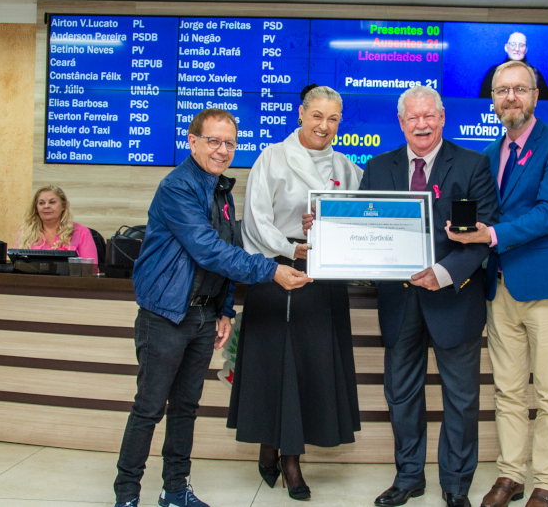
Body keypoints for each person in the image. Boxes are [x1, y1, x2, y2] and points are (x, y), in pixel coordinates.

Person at [305, 85, 500, 507]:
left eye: (429, 116)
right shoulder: (378, 167)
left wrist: (445, 273)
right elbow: (361, 228)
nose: (421, 124)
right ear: (401, 123)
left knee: (461, 400)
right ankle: (409, 476)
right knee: (402, 395)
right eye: (412, 118)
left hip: (455, 299)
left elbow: (483, 238)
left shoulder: (473, 164)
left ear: (443, 118)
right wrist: (322, 226)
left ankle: (455, 485)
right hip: (399, 303)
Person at [112, 108, 312, 507]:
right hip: (166, 315)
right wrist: (272, 270)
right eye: (214, 141)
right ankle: (127, 495)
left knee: (186, 408)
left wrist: (223, 310)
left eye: (230, 143)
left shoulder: (220, 190)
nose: (223, 150)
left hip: (203, 317)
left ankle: (174, 491)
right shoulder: (178, 187)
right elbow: (207, 249)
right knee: (149, 408)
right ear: (192, 141)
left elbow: (226, 251)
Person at [447, 60, 548, 507]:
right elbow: (485, 213)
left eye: (520, 89)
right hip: (499, 288)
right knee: (506, 390)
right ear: (493, 100)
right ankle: (510, 475)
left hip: (546, 288)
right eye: (502, 90)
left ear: (535, 95)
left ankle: (547, 483)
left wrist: (491, 234)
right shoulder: (488, 154)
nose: (511, 98)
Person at [227, 85, 364, 501]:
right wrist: (292, 248)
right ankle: (287, 458)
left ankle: (277, 446)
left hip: (324, 276)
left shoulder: (347, 167)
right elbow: (255, 220)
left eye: (334, 118)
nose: (325, 125)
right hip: (275, 269)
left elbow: (359, 217)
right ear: (301, 113)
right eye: (317, 115)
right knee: (275, 364)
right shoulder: (272, 156)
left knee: (310, 366)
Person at [14, 185, 99, 263]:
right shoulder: (25, 233)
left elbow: (91, 271)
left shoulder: (81, 233)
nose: (46, 206)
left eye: (52, 202)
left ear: (63, 206)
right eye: (41, 203)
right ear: (36, 208)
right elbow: (16, 266)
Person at [478, 32, 548, 101]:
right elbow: (483, 104)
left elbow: (545, 106)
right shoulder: (494, 72)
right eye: (513, 44)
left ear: (526, 50)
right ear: (506, 48)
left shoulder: (535, 74)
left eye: (521, 45)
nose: (517, 49)